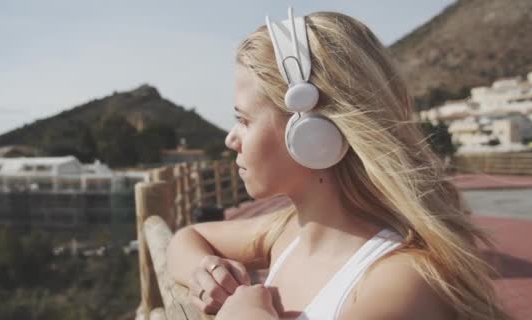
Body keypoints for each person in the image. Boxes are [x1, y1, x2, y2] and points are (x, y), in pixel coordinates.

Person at [167, 8, 510, 320]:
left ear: (310, 134)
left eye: (244, 120)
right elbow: (186, 236)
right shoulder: (290, 232)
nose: (231, 139)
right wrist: (207, 271)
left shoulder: (401, 281)